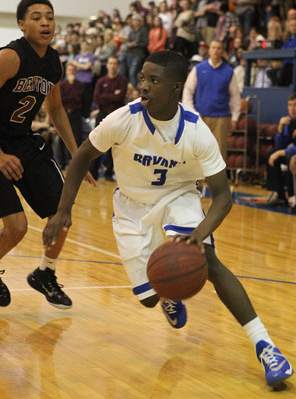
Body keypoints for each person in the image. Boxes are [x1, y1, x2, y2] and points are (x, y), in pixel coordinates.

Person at [43, 50, 293, 388]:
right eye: (143, 78)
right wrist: (63, 210)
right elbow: (83, 157)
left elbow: (223, 195)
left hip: (180, 197)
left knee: (209, 261)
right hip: (131, 205)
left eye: (154, 81)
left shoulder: (195, 130)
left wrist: (200, 233)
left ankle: (266, 346)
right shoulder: (122, 119)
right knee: (149, 297)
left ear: (177, 88)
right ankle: (169, 295)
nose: (143, 86)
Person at [0, 0, 96, 310]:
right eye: (37, 16)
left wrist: (79, 156)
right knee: (17, 227)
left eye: (50, 16)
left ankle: (45, 273)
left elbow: (56, 111)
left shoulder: (53, 62)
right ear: (22, 24)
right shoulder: (10, 57)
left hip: (24, 144)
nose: (45, 22)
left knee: (61, 215)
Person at [182, 40, 241, 161]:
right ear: (209, 51)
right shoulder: (198, 69)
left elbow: (235, 96)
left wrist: (235, 117)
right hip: (200, 117)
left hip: (222, 117)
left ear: (223, 52)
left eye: (219, 48)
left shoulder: (229, 71)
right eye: (213, 47)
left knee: (219, 154)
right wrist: (192, 112)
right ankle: (200, 180)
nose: (215, 50)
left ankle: (216, 180)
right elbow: (187, 90)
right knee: (199, 152)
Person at [90, 55, 127, 180]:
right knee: (96, 142)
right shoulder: (101, 81)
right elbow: (96, 99)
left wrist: (105, 96)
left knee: (115, 144)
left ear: (118, 66)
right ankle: (93, 172)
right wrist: (112, 95)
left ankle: (108, 173)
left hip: (117, 115)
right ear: (107, 65)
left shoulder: (122, 81)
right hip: (102, 114)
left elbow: (120, 98)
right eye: (110, 63)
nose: (112, 66)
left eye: (115, 63)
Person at [265, 92, 296, 206]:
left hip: (293, 155)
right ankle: (281, 195)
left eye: (295, 105)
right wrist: (280, 129)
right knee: (270, 154)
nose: (292, 109)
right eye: (290, 105)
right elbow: (279, 146)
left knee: (289, 157)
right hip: (290, 153)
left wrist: (281, 152)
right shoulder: (288, 121)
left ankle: (292, 196)